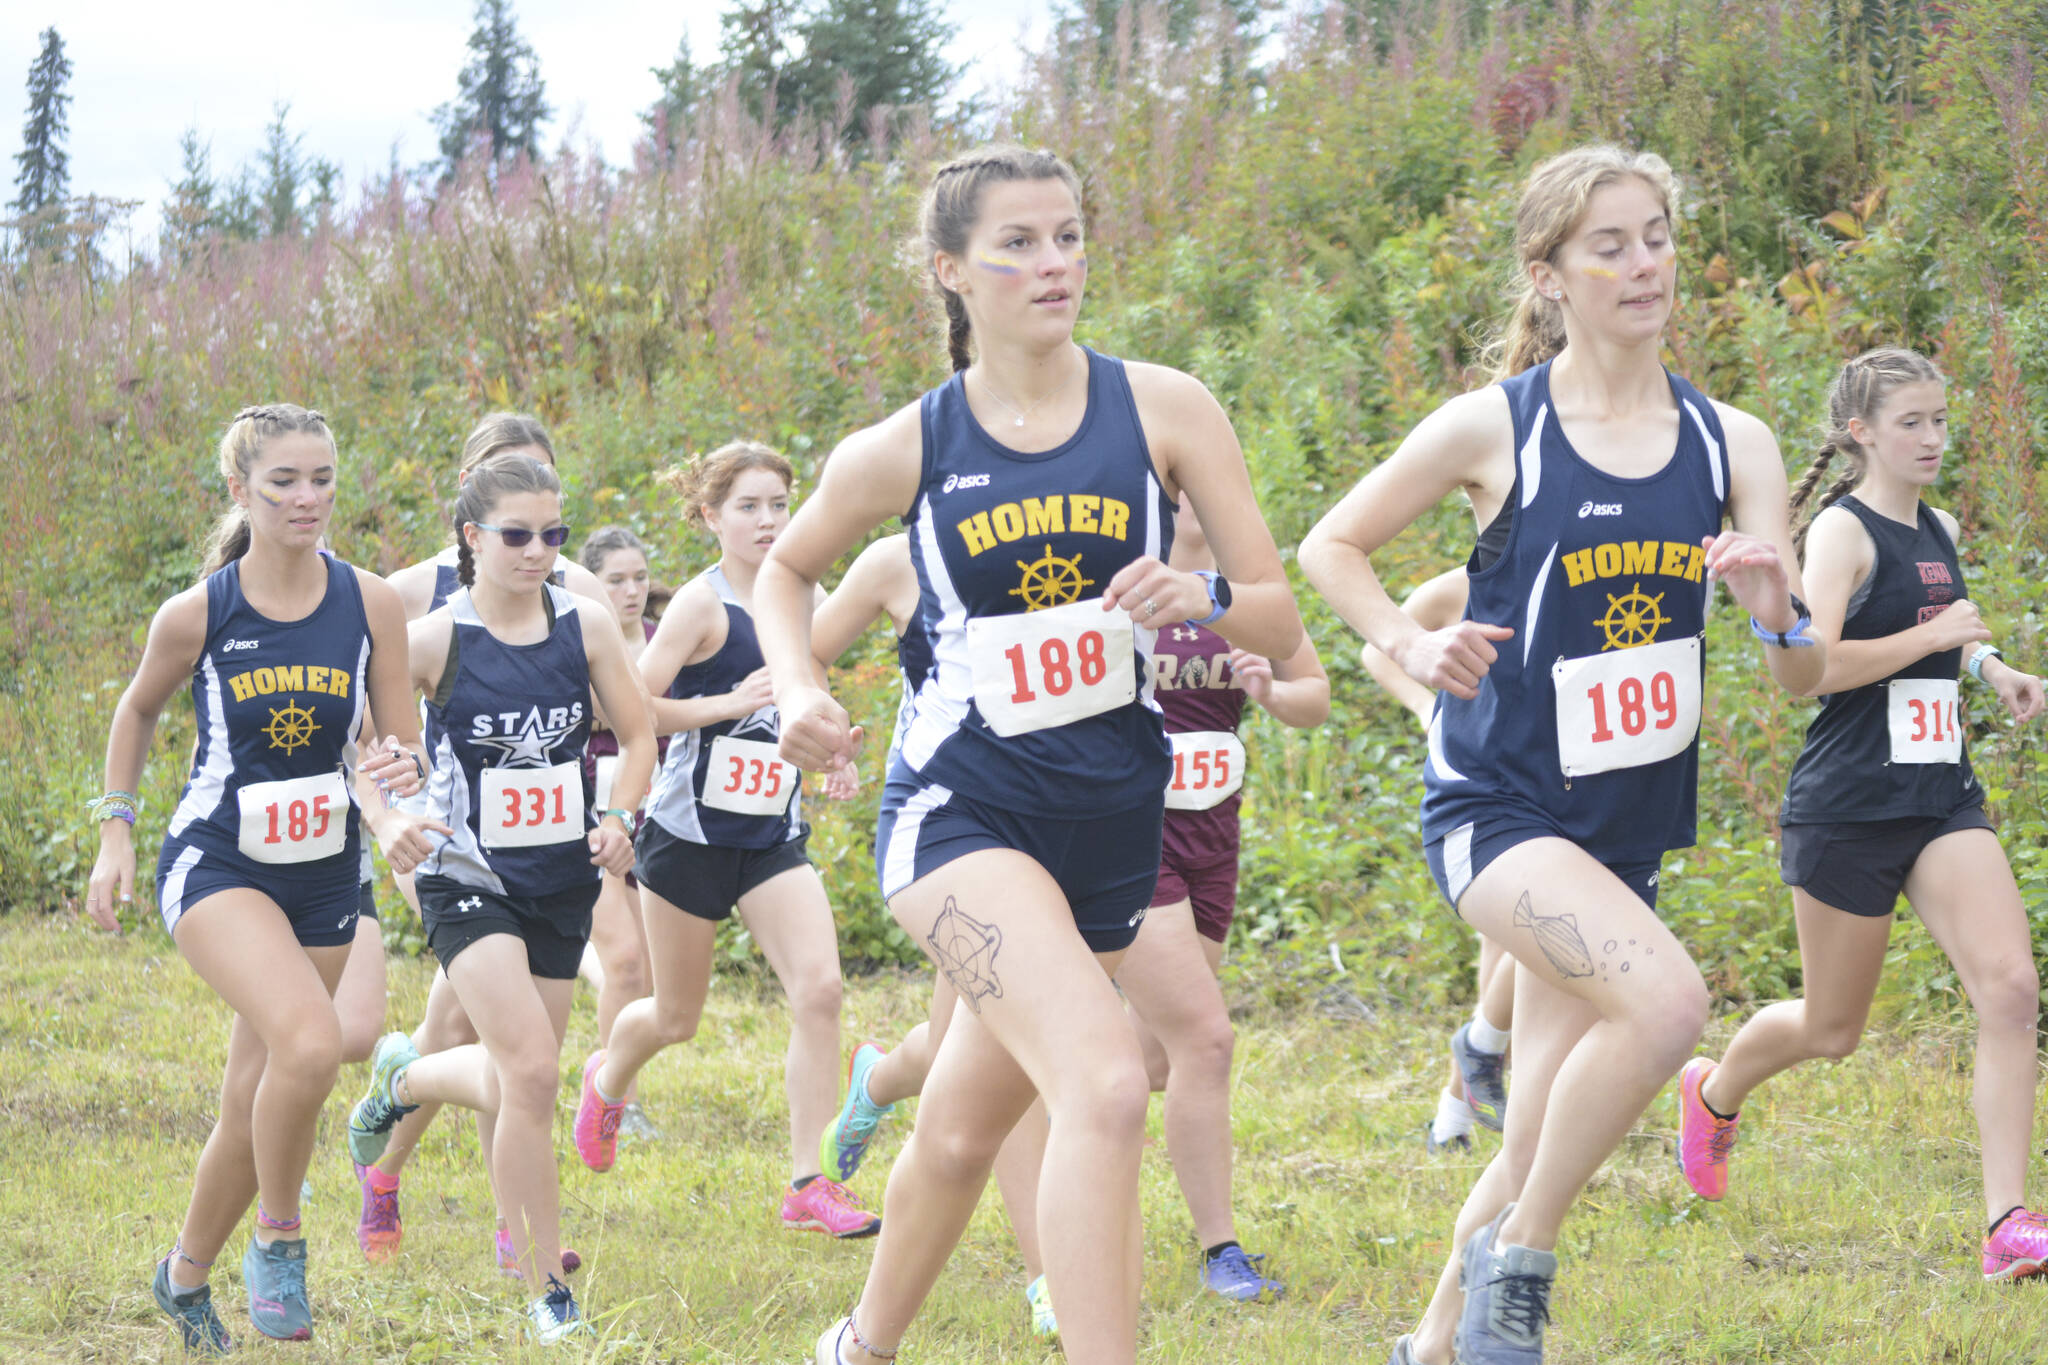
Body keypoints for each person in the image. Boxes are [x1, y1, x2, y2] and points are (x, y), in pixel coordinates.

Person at [752, 144, 1305, 1365]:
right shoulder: (905, 446)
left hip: (1110, 819)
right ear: (950, 271)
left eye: (1067, 235)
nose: (1052, 263)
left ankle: (857, 1346)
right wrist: (796, 688)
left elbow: (1274, 612)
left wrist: (1195, 588)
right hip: (959, 815)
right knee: (1108, 1081)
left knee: (956, 1130)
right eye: (1015, 242)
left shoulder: (1164, 406)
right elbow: (786, 573)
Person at [1298, 145, 1826, 1365]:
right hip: (1498, 810)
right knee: (1668, 1003)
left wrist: (1771, 611)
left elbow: (1799, 669)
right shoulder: (1497, 427)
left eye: (1655, 237)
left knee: (1536, 1122)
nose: (1643, 265)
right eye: (1608, 246)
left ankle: (1429, 1346)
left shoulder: (1730, 441)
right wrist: (1403, 644)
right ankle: (1518, 1265)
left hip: (1622, 824)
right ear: (1548, 276)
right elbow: (1333, 544)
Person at [1672, 348, 2048, 1280]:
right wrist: (1936, 635)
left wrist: (1994, 669)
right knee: (1834, 1031)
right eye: (1912, 422)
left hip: (1938, 795)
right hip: (1848, 805)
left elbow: (1949, 632)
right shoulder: (1840, 533)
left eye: (1940, 420)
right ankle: (1713, 1093)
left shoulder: (1942, 524)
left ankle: (2008, 1223)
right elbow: (1815, 671)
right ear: (1862, 432)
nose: (1932, 438)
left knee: (2010, 989)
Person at [84, 404, 439, 1353]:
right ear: (240, 489)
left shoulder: (369, 602)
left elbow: (394, 740)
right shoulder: (201, 610)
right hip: (219, 862)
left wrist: (398, 790)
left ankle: (183, 1273)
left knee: (260, 1089)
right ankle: (278, 1239)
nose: (307, 497)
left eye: (321, 477)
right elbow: (136, 708)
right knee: (313, 1047)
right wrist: (115, 832)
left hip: (323, 867)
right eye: (284, 480)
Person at [344, 453, 654, 1343]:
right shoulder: (435, 638)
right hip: (465, 875)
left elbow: (636, 737)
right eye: (517, 535)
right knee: (531, 1071)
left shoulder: (586, 625)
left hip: (562, 873)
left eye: (553, 534)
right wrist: (387, 814)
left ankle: (402, 1077)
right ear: (472, 538)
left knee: (520, 1080)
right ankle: (548, 1291)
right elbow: (366, 743)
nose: (538, 551)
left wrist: (623, 815)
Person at [574, 442, 880, 1239]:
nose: (769, 520)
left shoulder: (808, 599)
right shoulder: (701, 606)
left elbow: (808, 697)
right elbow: (628, 711)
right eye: (749, 505)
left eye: (779, 503)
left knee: (819, 990)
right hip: (686, 838)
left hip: (771, 835)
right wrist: (725, 704)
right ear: (711, 516)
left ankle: (807, 1182)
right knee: (675, 1016)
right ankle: (607, 1078)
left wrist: (834, 751)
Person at [1112, 495, 1327, 1303]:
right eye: (1182, 479)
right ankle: (1220, 1249)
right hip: (1134, 837)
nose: (1201, 492)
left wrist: (1271, 691)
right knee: (1205, 1040)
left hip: (1214, 837)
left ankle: (1017, 1115)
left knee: (1153, 1058)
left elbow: (1316, 693)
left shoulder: (1244, 589)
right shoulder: (1118, 569)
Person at [1359, 568, 1517, 1153]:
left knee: (1512, 948)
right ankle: (1469, 1096)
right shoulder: (1460, 584)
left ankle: (1456, 1111)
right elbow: (1379, 652)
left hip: (1565, 772)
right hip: (1486, 777)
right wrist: (1429, 709)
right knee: (1512, 942)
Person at [575, 524, 666, 1140]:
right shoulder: (579, 645)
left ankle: (611, 1076)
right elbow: (622, 713)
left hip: (662, 818)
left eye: (639, 578)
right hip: (596, 815)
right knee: (627, 963)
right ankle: (618, 1101)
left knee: (655, 981)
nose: (631, 591)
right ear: (591, 585)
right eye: (616, 580)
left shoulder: (668, 638)